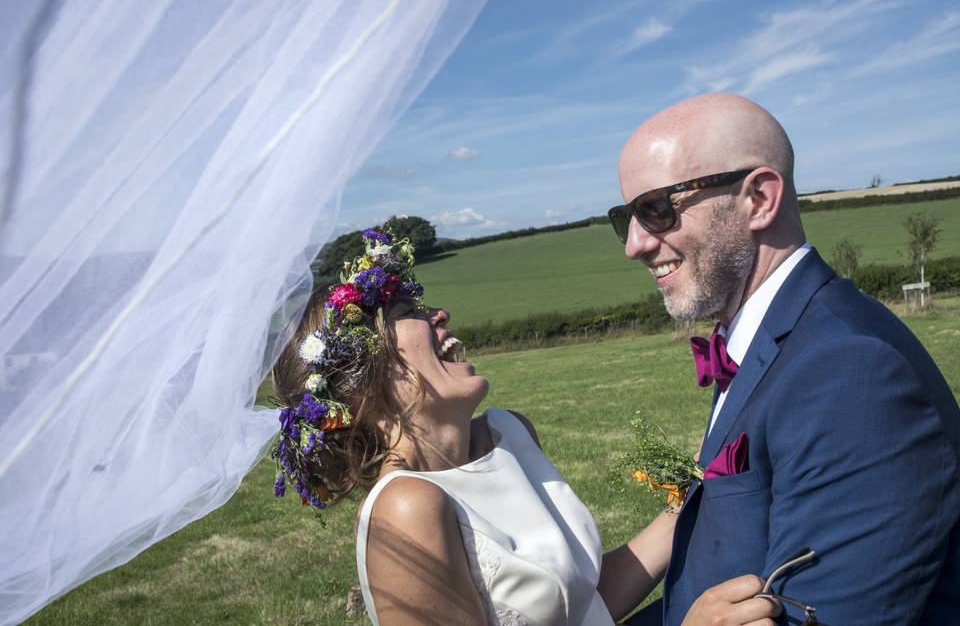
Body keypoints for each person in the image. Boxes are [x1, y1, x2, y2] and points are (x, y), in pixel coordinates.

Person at [270, 228, 781, 625]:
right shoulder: (407, 506)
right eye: (408, 312)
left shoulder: (510, 433)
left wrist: (703, 481)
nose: (441, 313)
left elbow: (582, 605)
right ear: (361, 386)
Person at [610, 92, 960, 625]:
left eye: (655, 209)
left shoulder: (848, 369)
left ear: (758, 199)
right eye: (625, 217)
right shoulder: (770, 336)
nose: (634, 244)